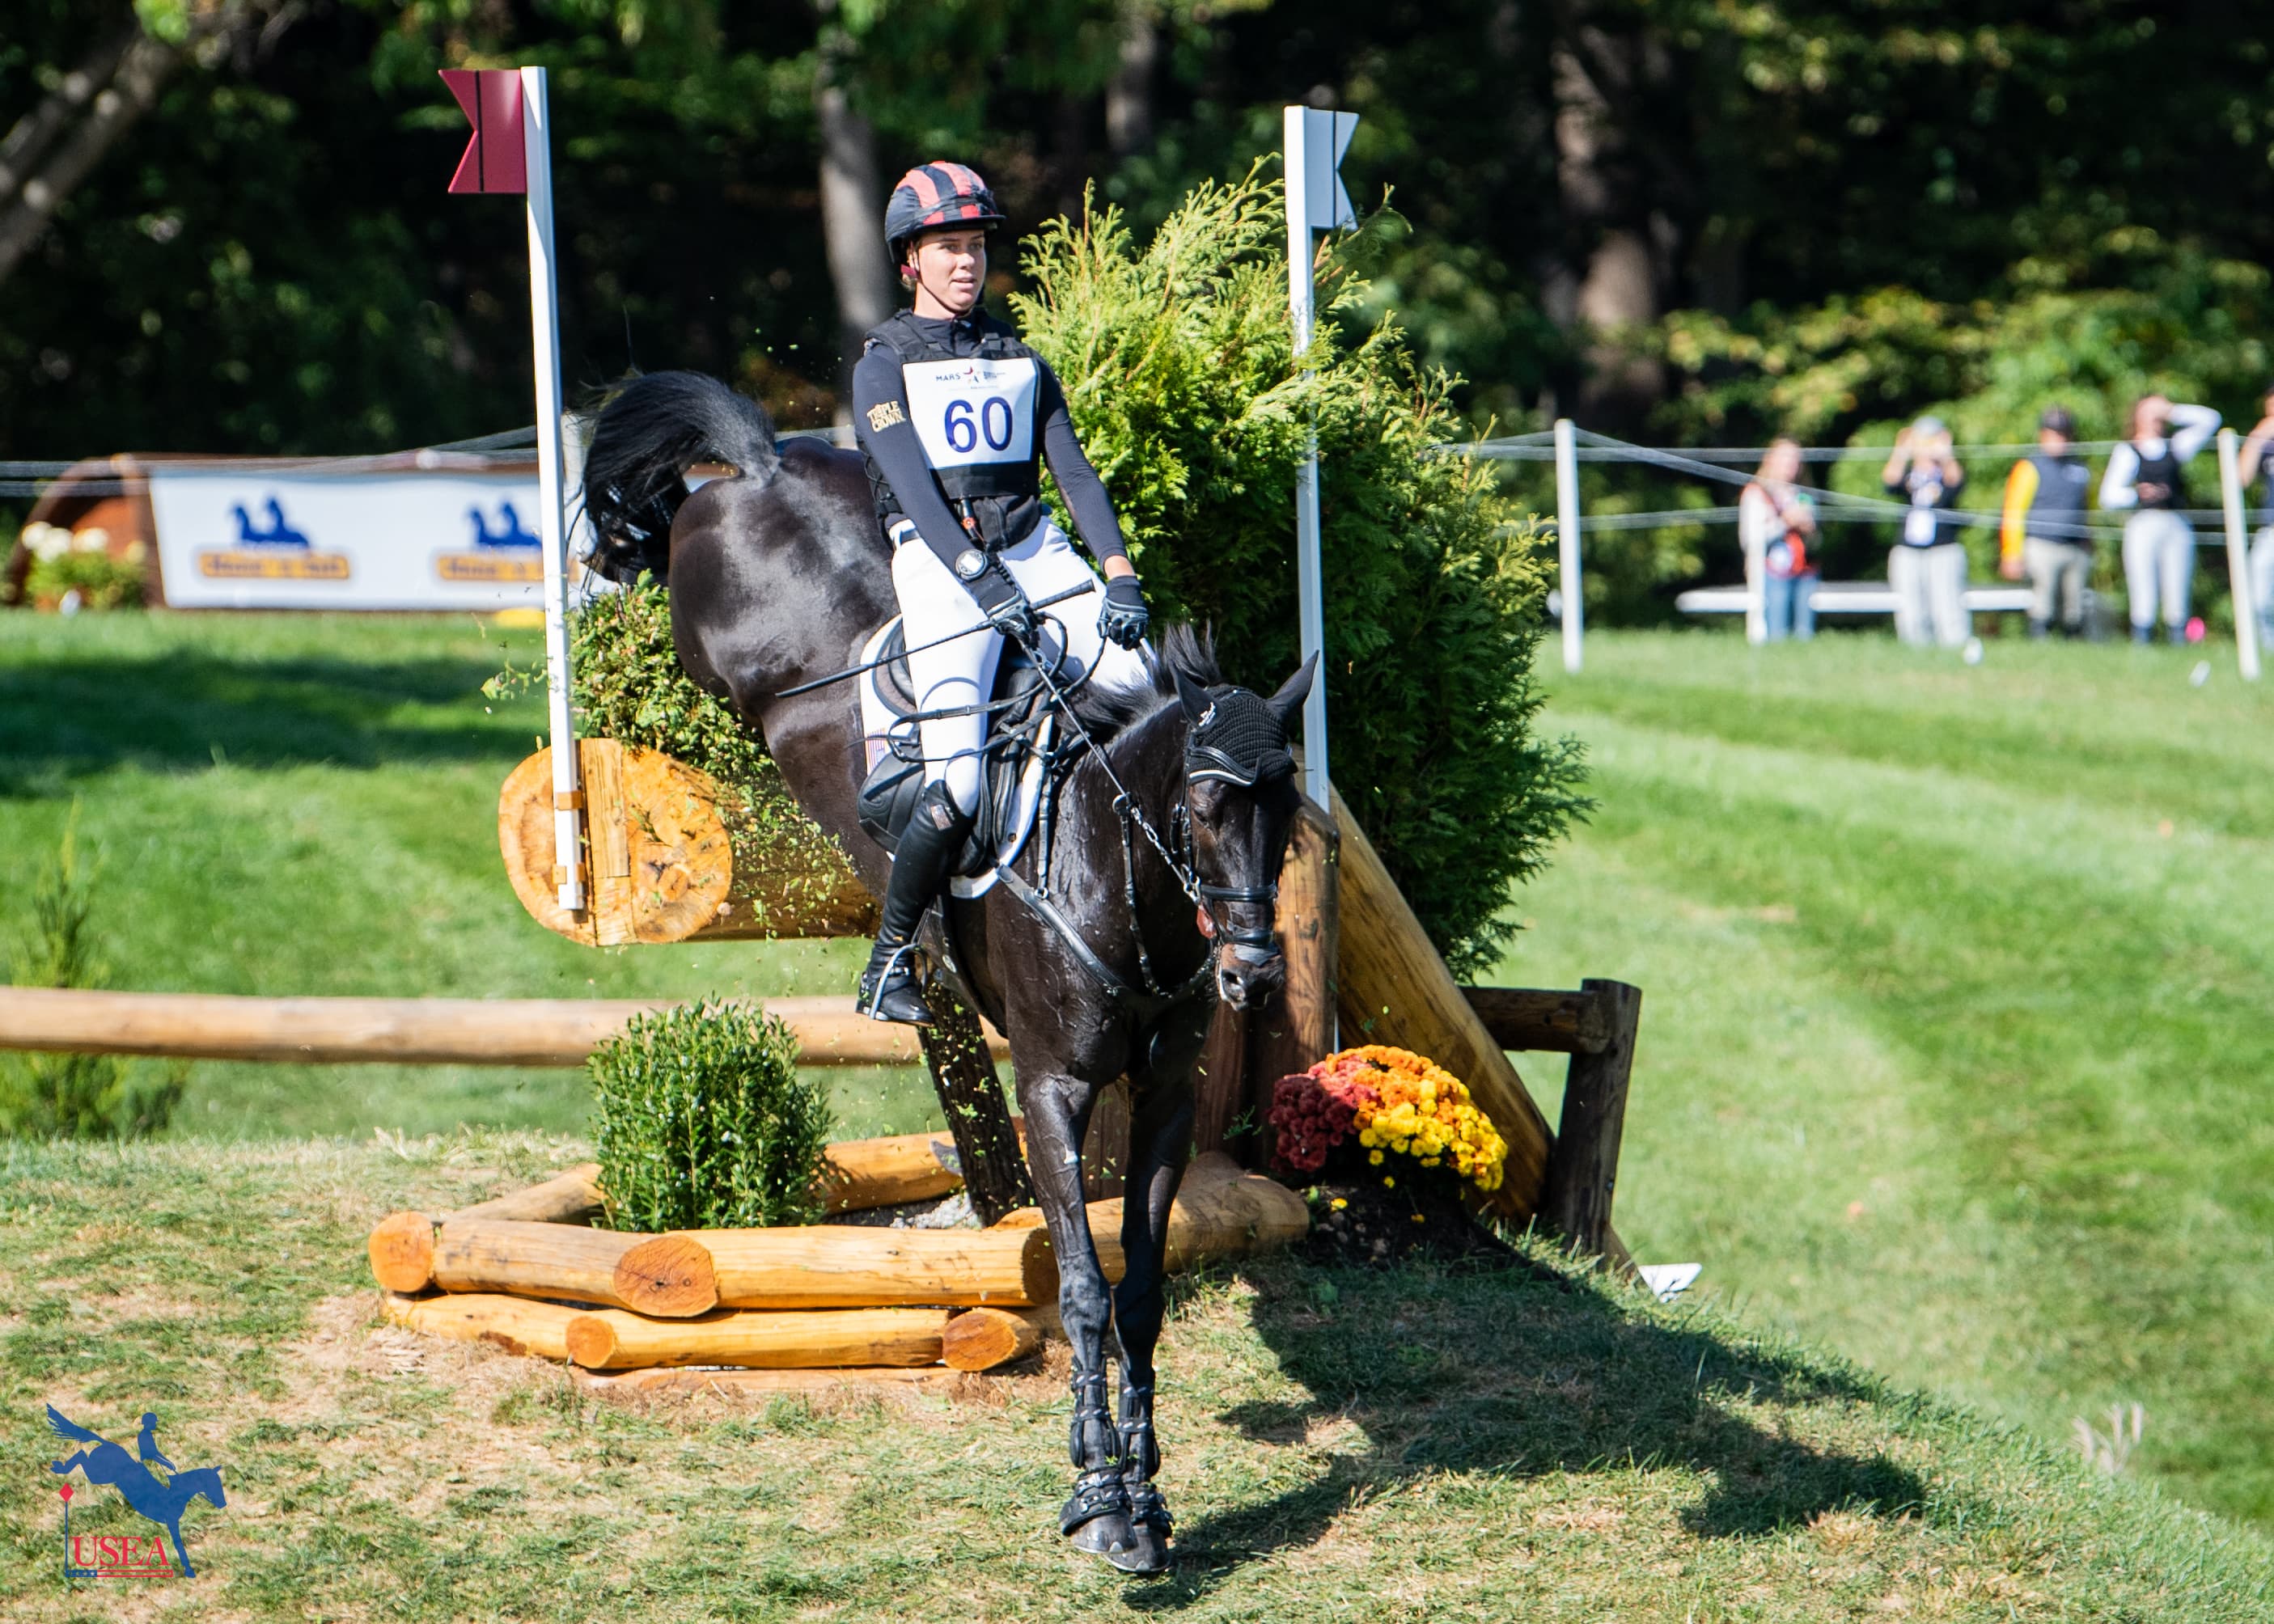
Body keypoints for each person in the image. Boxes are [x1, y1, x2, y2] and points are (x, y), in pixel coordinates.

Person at [849, 161, 1153, 1024]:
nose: (966, 262)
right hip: (941, 567)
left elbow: (1077, 475)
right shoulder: (882, 366)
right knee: (960, 785)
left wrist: (1119, 577)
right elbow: (912, 489)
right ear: (911, 259)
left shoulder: (1018, 359)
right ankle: (890, 960)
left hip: (1036, 550)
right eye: (948, 247)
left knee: (1149, 692)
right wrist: (981, 581)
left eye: (975, 246)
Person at [2100, 392, 2220, 644]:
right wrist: (2137, 495)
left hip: (2175, 522)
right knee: (2143, 589)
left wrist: (2172, 410)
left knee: (2177, 590)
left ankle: (2177, 641)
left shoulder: (2175, 446)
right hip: (2143, 523)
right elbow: (2108, 496)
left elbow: (2210, 420)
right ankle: (2143, 643)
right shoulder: (2128, 451)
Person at [1998, 406, 2095, 638]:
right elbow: (2013, 511)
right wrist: (2011, 552)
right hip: (2041, 544)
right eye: (2053, 433)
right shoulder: (2029, 467)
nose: (2058, 439)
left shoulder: (2080, 468)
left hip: (2075, 546)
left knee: (2075, 607)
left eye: (2063, 433)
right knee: (2043, 604)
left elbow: (2087, 508)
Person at [1881, 416, 1970, 647]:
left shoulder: (1947, 472)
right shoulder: (1910, 474)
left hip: (1943, 548)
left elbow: (1957, 484)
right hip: (1909, 550)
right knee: (1910, 608)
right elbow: (1889, 482)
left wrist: (1945, 453)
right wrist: (1902, 450)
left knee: (1947, 605)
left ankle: (1953, 649)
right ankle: (1915, 651)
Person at [1738, 438, 1818, 641]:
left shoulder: (1803, 495)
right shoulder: (1756, 493)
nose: (1791, 465)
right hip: (1771, 572)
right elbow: (1749, 540)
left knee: (1804, 635)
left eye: (1795, 460)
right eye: (1785, 459)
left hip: (1804, 570)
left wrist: (1810, 530)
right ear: (1770, 460)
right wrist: (1784, 523)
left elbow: (1818, 542)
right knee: (1777, 635)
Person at [2234, 384, 2274, 650]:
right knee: (2258, 596)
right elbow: (2240, 478)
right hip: (2271, 528)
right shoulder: (2265, 442)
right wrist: (2258, 437)